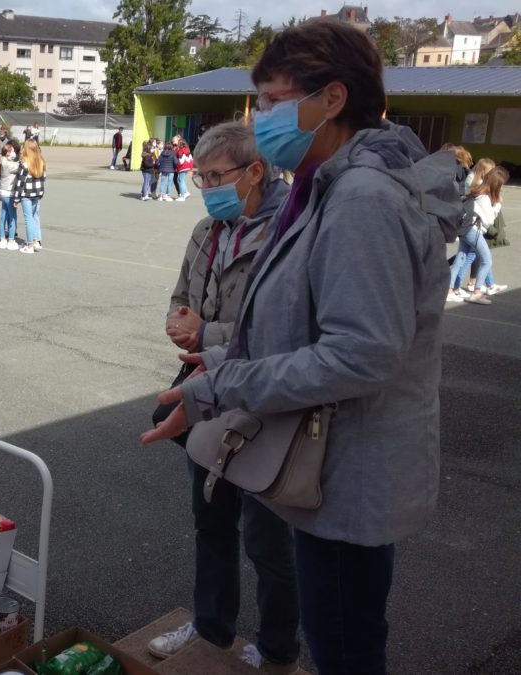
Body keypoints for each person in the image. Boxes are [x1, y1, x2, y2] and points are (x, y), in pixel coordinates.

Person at [143, 22, 454, 675]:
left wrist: (219, 384)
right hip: (330, 472)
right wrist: (205, 388)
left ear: (332, 99)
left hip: (346, 483)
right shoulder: (331, 187)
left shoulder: (362, 197)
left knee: (345, 648)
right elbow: (292, 331)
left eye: (274, 102)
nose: (261, 120)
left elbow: (361, 353)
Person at [147, 123, 299, 671]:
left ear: (254, 172)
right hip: (208, 392)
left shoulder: (292, 229)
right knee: (210, 522)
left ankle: (278, 647)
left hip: (267, 404)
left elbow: (285, 328)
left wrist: (206, 332)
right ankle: (211, 627)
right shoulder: (207, 229)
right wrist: (178, 323)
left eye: (216, 176)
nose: (207, 186)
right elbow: (181, 297)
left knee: (269, 541)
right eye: (201, 177)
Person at [448, 167, 508, 306]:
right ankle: (476, 293)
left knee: (460, 259)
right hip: (474, 231)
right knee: (487, 261)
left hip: (465, 229)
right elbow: (488, 221)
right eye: (501, 184)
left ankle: (451, 289)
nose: (502, 187)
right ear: (496, 184)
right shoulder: (484, 198)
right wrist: (497, 204)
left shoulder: (476, 193)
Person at [12, 139, 46, 254]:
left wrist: (16, 198)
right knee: (35, 216)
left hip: (26, 194)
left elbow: (19, 182)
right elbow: (43, 179)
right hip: (37, 193)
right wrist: (41, 193)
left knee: (28, 219)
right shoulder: (41, 161)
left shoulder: (24, 163)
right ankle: (37, 240)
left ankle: (30, 244)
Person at [0, 141, 21, 250]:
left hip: (3, 192)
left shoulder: (3, 161)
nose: (14, 153)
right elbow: (20, 167)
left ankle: (2, 239)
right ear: (7, 153)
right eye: (12, 151)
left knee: (3, 215)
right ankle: (11, 240)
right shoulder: (9, 164)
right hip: (9, 192)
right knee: (12, 217)